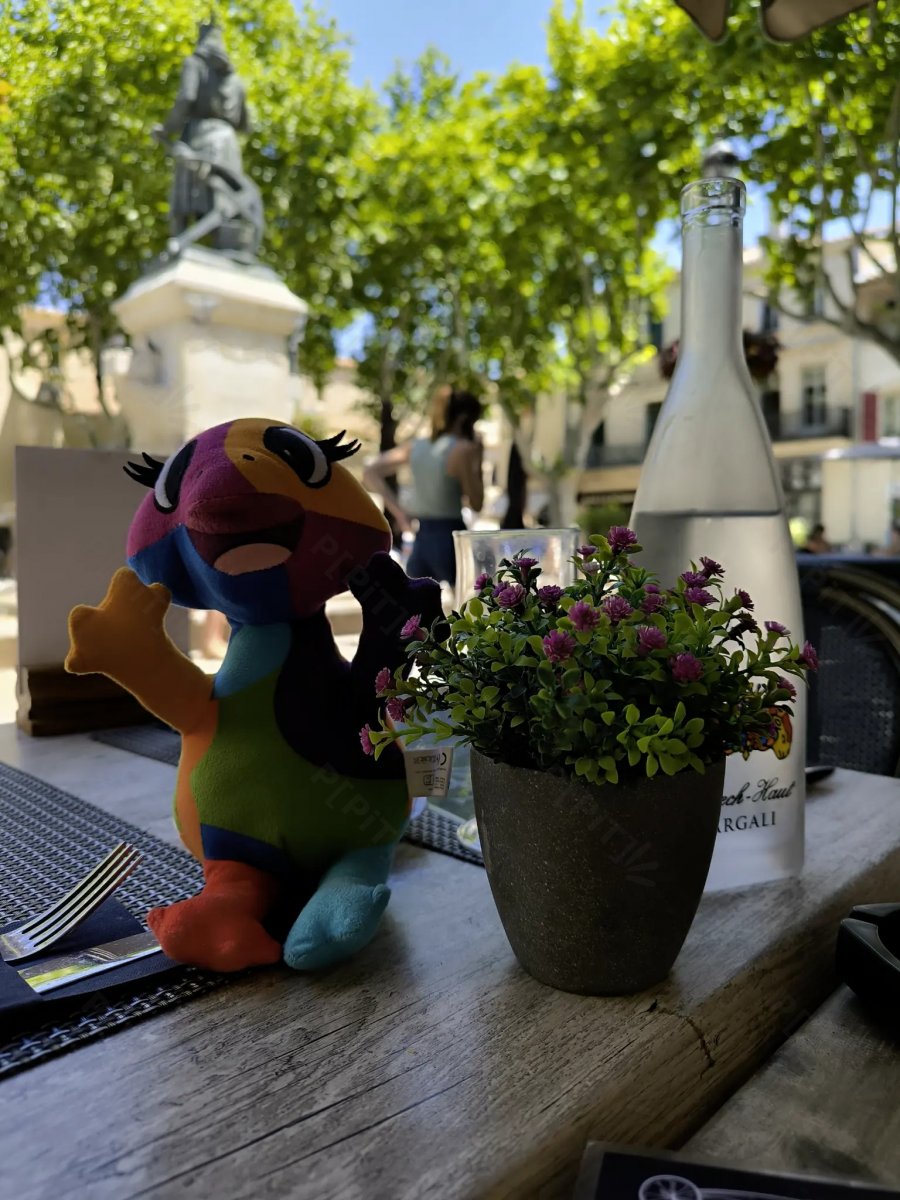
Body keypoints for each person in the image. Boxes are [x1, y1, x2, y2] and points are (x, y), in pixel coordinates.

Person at [363, 387, 485, 586]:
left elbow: (370, 472)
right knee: (468, 600)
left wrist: (400, 513)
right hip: (450, 536)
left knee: (418, 602)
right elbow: (477, 503)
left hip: (421, 539)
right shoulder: (462, 449)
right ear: (465, 419)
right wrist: (477, 460)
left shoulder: (415, 446)